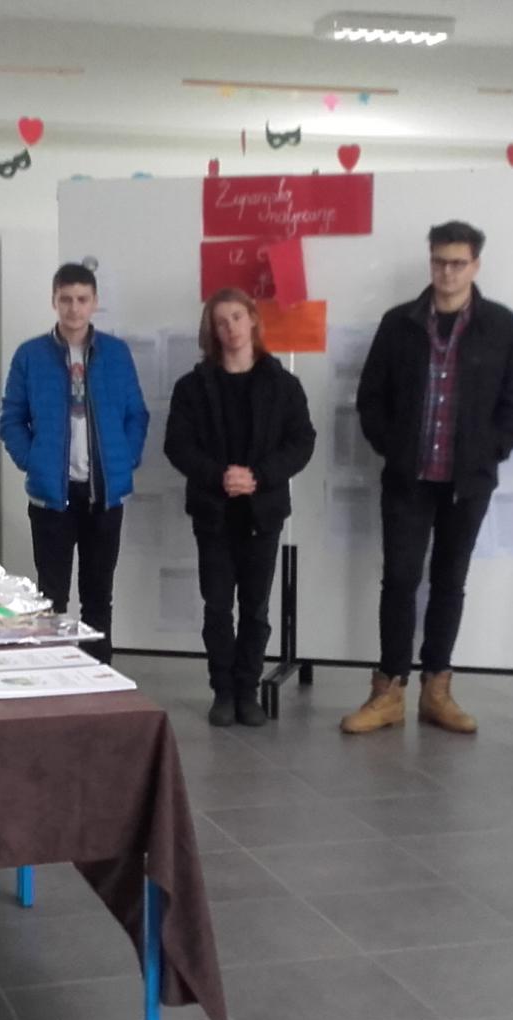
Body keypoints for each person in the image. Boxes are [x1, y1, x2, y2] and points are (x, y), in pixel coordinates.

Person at [343, 220, 513, 735]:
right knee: (399, 580)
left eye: (457, 263)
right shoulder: (398, 323)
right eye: (439, 261)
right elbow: (371, 397)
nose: (447, 272)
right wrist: (392, 446)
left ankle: (437, 690)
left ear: (475, 265)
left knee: (450, 582)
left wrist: (489, 451)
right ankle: (388, 692)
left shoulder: (502, 326)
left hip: (467, 482)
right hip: (408, 478)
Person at [164, 288, 316, 727]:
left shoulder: (283, 384)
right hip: (213, 512)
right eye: (220, 321)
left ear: (252, 320)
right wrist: (220, 476)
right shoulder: (192, 386)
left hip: (263, 512)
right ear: (211, 331)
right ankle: (223, 691)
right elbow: (178, 445)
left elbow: (301, 442)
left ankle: (247, 691)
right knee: (217, 607)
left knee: (256, 608)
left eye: (236, 317)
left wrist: (259, 476)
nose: (229, 328)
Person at [0, 262, 150, 663]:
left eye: (82, 299)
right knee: (51, 596)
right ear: (54, 301)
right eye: (65, 299)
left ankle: (99, 675)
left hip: (105, 495)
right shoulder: (30, 355)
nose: (74, 308)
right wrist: (33, 461)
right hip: (52, 498)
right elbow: (11, 419)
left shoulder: (116, 354)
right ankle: (53, 673)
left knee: (98, 595)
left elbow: (137, 415)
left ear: (94, 302)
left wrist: (126, 459)